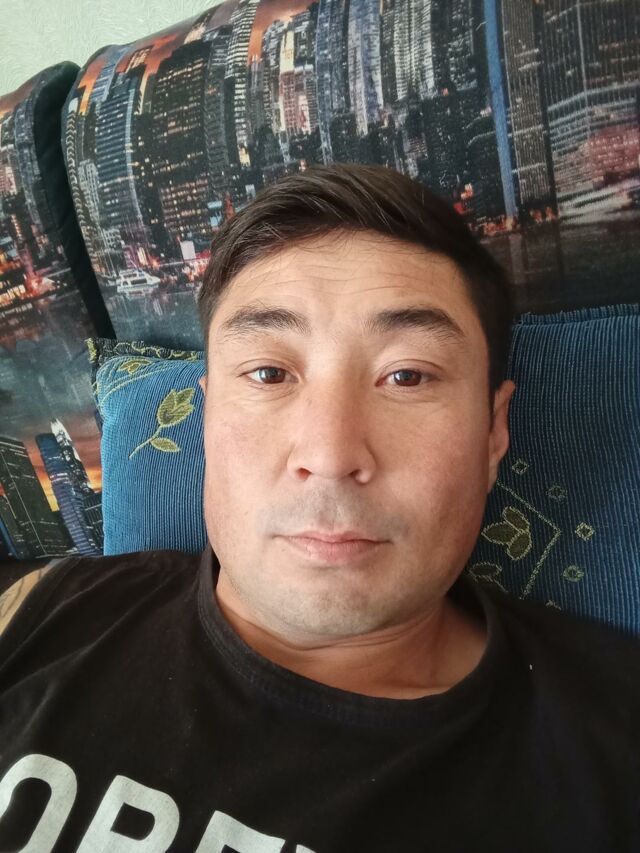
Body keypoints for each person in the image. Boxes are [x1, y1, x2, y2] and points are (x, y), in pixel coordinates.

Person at [0, 163, 638, 852]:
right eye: (269, 372)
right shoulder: (42, 608)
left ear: (493, 433)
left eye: (407, 375)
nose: (331, 455)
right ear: (206, 419)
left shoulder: (615, 744)